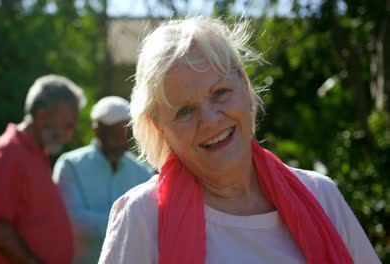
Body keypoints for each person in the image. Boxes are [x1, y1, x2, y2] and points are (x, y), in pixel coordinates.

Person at [98, 16, 380, 264]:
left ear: (245, 86)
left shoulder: (321, 196)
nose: (210, 119)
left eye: (220, 92)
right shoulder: (142, 216)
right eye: (184, 111)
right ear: (160, 128)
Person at [0, 74, 87, 264]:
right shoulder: (6, 153)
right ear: (42, 115)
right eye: (67, 126)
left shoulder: (36, 154)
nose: (69, 136)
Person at [53, 96, 154, 263]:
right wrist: (129, 220)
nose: (122, 142)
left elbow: (152, 223)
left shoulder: (142, 171)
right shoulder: (70, 165)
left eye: (127, 135)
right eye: (115, 135)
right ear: (97, 130)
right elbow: (71, 222)